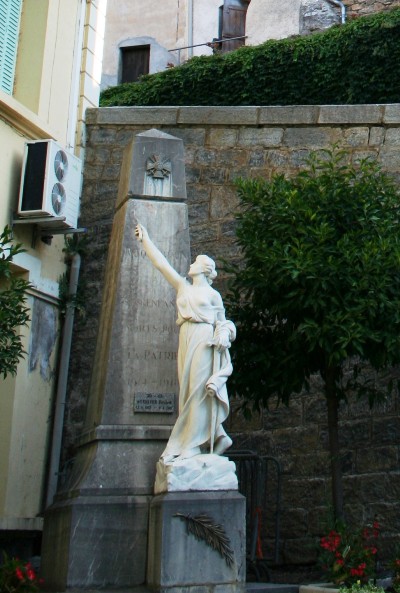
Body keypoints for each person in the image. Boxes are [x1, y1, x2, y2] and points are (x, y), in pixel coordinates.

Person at [135, 223, 236, 463]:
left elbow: (224, 323)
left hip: (203, 341)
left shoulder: (213, 295)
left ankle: (192, 445)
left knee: (198, 392)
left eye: (195, 262)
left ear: (203, 268)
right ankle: (214, 436)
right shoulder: (183, 287)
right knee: (187, 390)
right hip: (186, 338)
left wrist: (224, 334)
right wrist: (145, 240)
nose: (190, 264)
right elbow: (161, 264)